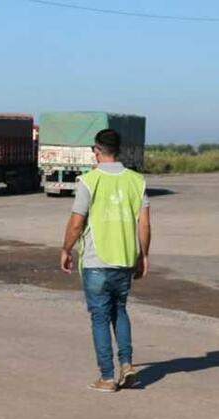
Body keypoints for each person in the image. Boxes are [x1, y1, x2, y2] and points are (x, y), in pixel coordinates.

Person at [60, 129, 151, 392]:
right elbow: (144, 224)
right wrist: (143, 255)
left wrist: (66, 249)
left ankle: (108, 377)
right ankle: (127, 364)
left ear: (98, 150)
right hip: (124, 259)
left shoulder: (89, 180)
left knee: (100, 317)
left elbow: (77, 223)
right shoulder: (136, 180)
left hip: (96, 261)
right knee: (120, 310)